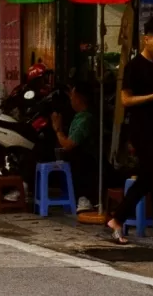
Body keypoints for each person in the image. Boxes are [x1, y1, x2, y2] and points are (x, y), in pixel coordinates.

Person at [107, 21, 153, 245]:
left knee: (151, 176)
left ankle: (117, 219)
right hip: (140, 127)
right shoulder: (134, 67)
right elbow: (125, 99)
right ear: (146, 39)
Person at [52, 81, 98, 213]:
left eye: (72, 95)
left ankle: (84, 197)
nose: (70, 99)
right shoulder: (78, 117)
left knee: (77, 156)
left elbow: (68, 145)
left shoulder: (86, 119)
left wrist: (58, 130)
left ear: (79, 97)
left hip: (88, 165)